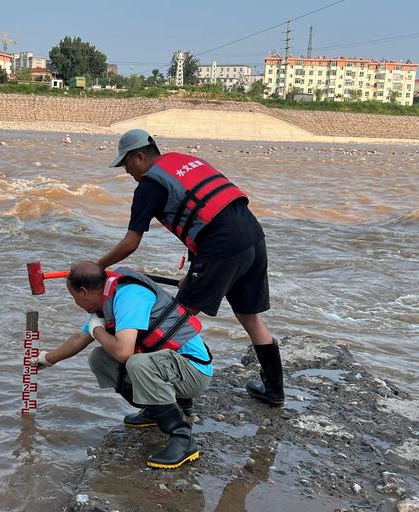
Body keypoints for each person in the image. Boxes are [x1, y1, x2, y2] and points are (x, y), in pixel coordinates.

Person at [96, 129, 284, 407]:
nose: (127, 172)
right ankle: (274, 391)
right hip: (252, 236)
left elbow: (131, 242)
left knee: (173, 320)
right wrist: (192, 271)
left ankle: (177, 400)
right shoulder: (185, 163)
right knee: (249, 317)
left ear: (139, 157)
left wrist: (97, 266)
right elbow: (207, 213)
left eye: (126, 164)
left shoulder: (149, 185)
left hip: (222, 246)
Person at [34, 261, 213, 469]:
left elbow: (123, 352)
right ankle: (156, 411)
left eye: (74, 298)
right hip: (171, 368)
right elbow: (80, 338)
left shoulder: (128, 297)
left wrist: (98, 331)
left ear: (83, 292)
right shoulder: (106, 300)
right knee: (99, 358)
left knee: (136, 363)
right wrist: (47, 359)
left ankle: (182, 439)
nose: (77, 304)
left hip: (194, 370)